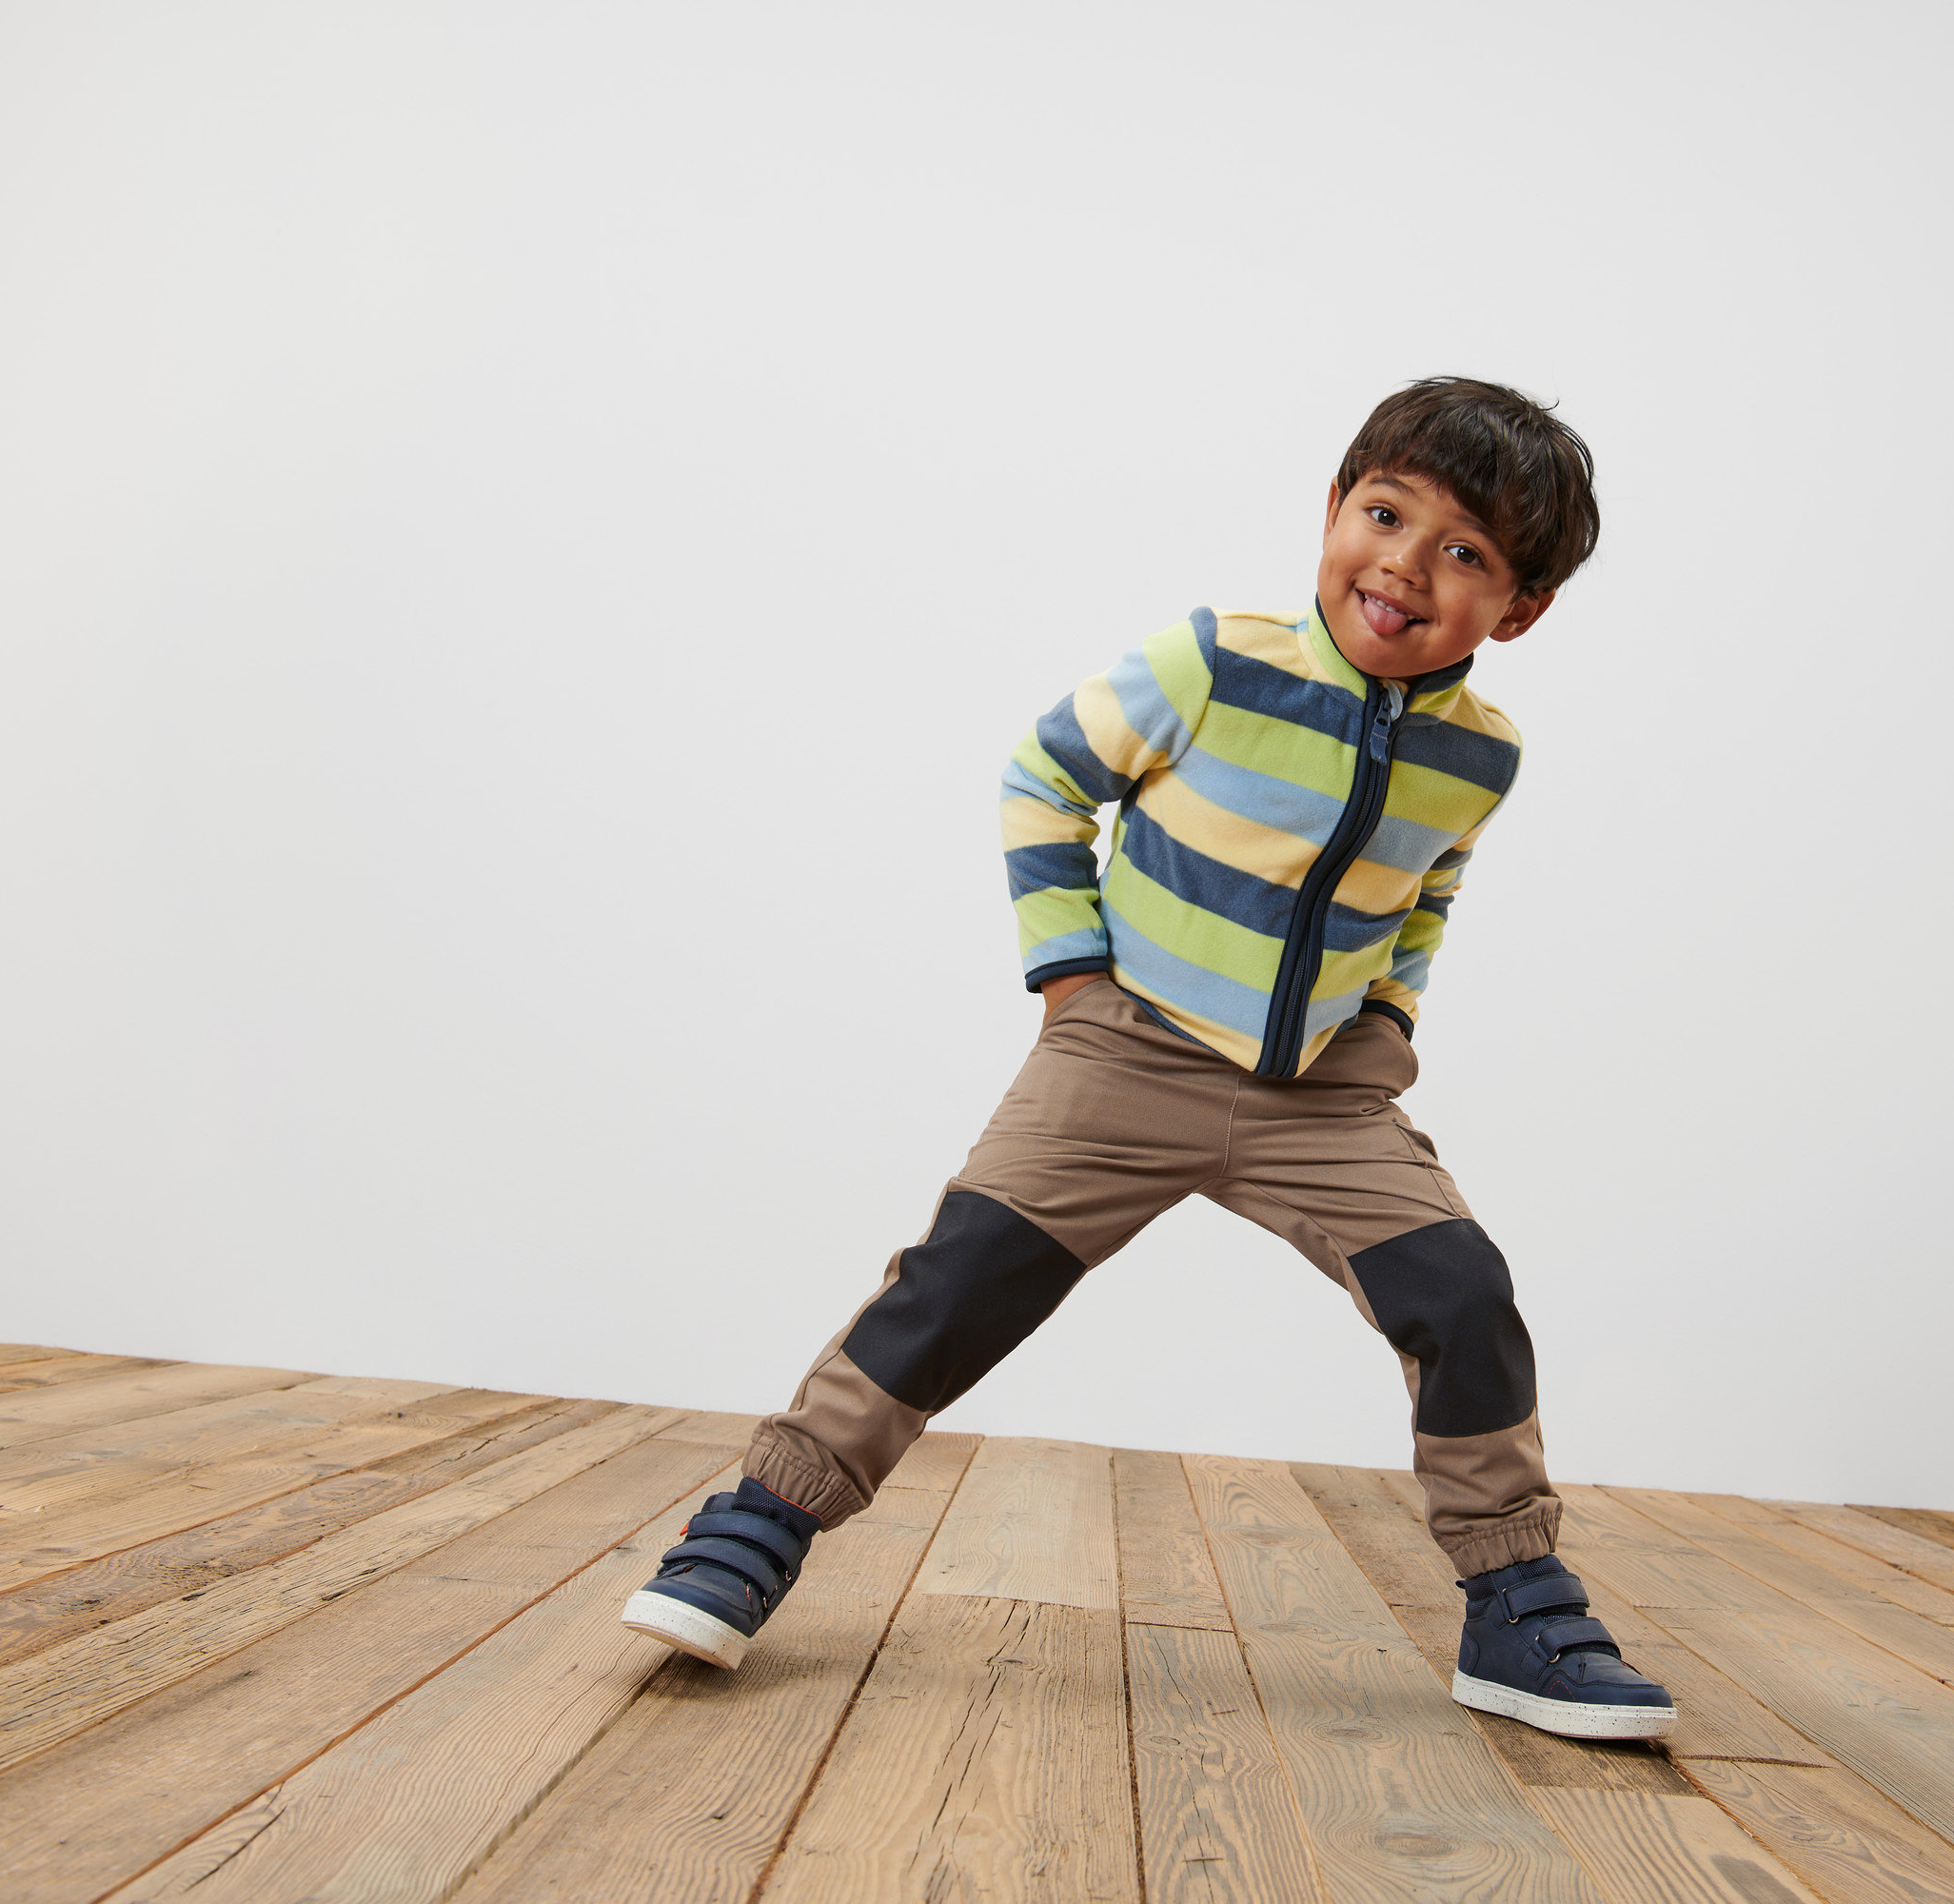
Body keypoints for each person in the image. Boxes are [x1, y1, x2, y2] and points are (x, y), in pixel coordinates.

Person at [618, 376, 1674, 1739]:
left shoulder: (1481, 758)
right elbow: (1045, 775)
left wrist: (1391, 1024)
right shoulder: (1214, 662)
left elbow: (1428, 895)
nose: (1406, 565)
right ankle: (762, 1520)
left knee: (1463, 1296)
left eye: (1464, 550)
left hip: (1322, 1097)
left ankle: (1514, 1603)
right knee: (956, 1286)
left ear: (1519, 609)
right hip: (1126, 1056)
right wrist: (1069, 976)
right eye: (1384, 514)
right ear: (1334, 510)